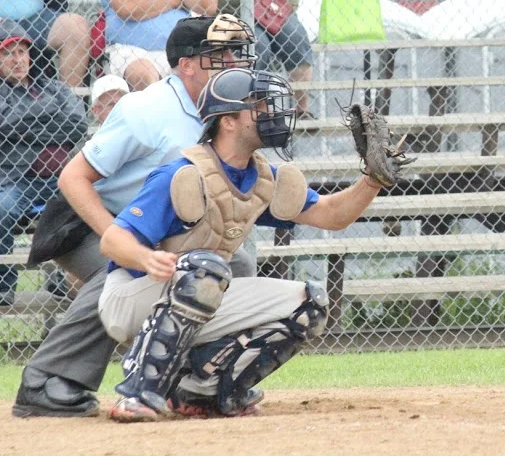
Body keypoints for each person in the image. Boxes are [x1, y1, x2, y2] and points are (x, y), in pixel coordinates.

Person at [99, 67, 392, 421]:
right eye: (259, 106)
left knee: (308, 304)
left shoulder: (261, 178)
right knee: (205, 270)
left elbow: (332, 215)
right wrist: (147, 258)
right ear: (228, 121)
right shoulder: (183, 174)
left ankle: (203, 390)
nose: (272, 112)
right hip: (133, 295)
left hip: (200, 291)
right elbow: (113, 240)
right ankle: (137, 393)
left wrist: (372, 181)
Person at [12, 14, 256, 418]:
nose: (233, 62)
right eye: (220, 54)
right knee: (122, 267)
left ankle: (198, 380)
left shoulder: (222, 111)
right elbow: (73, 177)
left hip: (155, 223)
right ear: (188, 65)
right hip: (84, 220)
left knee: (237, 261)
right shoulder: (149, 108)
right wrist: (119, 240)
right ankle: (48, 379)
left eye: (235, 53)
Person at [0, 20, 86, 306]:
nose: (17, 60)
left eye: (22, 52)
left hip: (62, 178)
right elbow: (4, 127)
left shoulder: (53, 87)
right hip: (19, 179)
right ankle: (4, 284)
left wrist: (26, 126)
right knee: (2, 209)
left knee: (87, 206)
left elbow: (76, 125)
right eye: (8, 54)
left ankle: (62, 280)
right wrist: (50, 120)